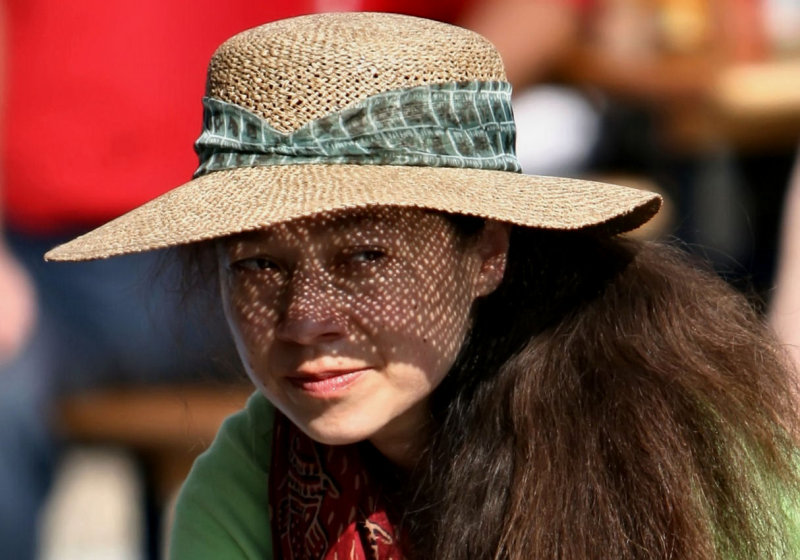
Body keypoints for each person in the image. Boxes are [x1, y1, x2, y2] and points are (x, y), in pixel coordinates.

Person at [45, 13, 800, 560]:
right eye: (259, 265)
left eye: (365, 258)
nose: (305, 320)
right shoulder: (253, 478)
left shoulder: (676, 445)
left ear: (487, 254)